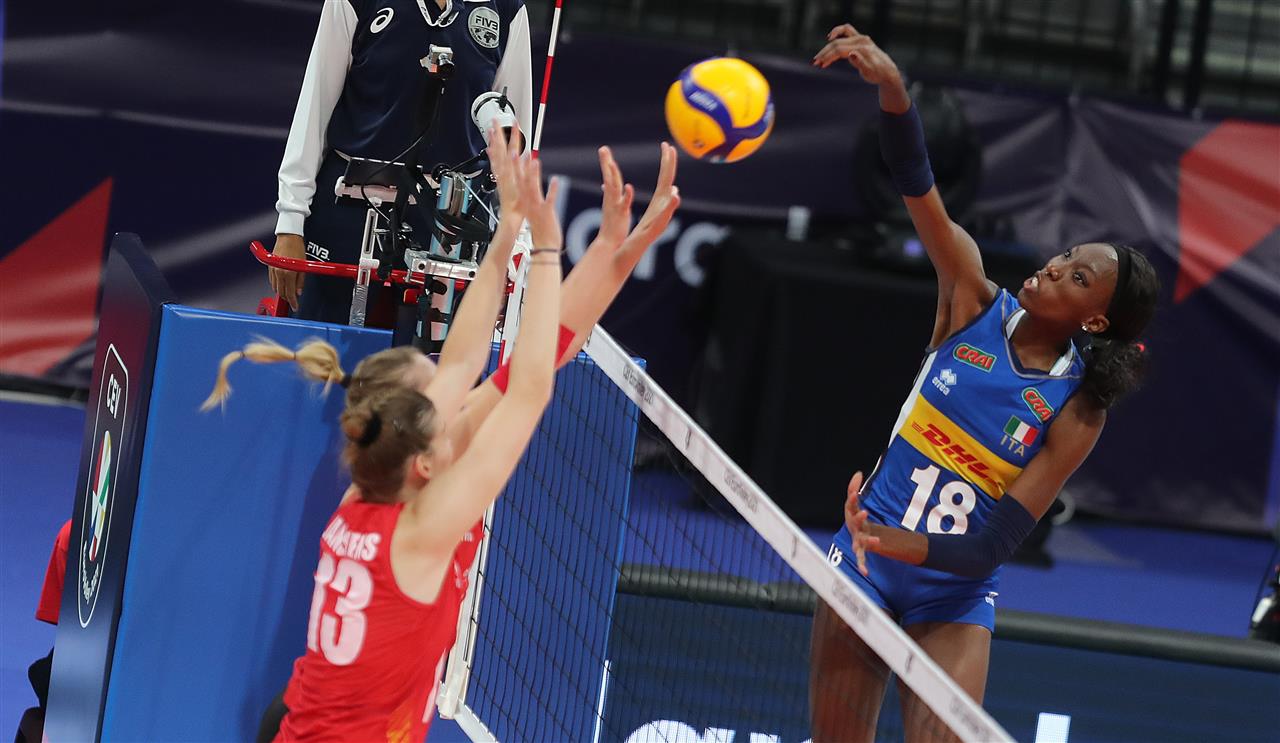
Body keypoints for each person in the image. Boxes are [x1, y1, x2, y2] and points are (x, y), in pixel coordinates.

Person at [205, 130, 680, 741]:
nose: (454, 388)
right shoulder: (424, 525)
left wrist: (605, 248)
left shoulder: (374, 492)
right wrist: (544, 251)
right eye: (438, 394)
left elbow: (497, 362)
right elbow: (529, 388)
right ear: (424, 460)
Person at [807, 25, 1159, 742]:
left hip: (953, 592)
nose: (1054, 267)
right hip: (864, 563)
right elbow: (918, 186)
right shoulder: (970, 297)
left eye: (1077, 277)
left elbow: (990, 548)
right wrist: (895, 93)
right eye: (1066, 255)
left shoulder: (1077, 408)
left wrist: (903, 545)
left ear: (1094, 320)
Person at [269, 0, 534, 325]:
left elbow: (512, 137)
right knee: (320, 350)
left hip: (450, 222)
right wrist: (290, 221)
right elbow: (314, 109)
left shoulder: (506, 9)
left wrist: (517, 239)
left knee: (432, 356)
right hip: (348, 205)